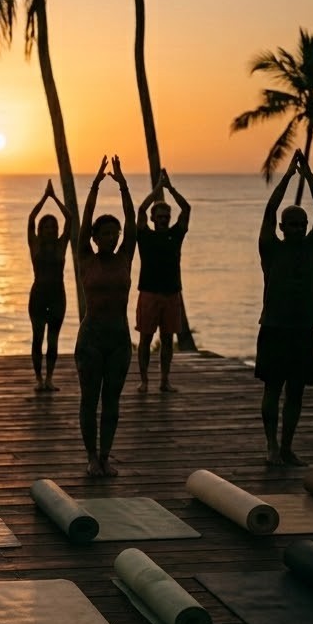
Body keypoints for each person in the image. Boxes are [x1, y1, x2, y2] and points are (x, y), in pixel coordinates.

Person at [256, 151, 313, 467]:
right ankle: (271, 446)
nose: (298, 229)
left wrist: (309, 175)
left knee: (296, 393)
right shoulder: (271, 248)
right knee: (273, 389)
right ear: (283, 228)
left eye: (303, 224)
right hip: (274, 328)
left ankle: (287, 447)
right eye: (293, 225)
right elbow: (270, 210)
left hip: (304, 330)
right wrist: (287, 176)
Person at [76, 155, 136, 477]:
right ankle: (90, 456)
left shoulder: (126, 256)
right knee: (90, 400)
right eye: (106, 234)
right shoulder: (86, 258)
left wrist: (124, 185)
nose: (112, 238)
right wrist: (96, 185)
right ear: (96, 238)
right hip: (91, 341)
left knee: (111, 402)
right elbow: (84, 221)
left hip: (120, 341)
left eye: (115, 234)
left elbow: (133, 221)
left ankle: (105, 456)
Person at [135, 170, 191, 394]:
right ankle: (144, 381)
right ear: (152, 219)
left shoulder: (176, 234)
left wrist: (170, 189)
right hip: (148, 293)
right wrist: (157, 189)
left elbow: (186, 209)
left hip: (171, 293)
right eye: (159, 217)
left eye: (166, 217)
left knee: (167, 339)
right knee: (145, 339)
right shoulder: (145, 235)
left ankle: (164, 380)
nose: (163, 220)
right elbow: (139, 210)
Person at [26, 179, 72, 392]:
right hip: (38, 296)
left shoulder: (61, 245)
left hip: (57, 296)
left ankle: (50, 378)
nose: (50, 229)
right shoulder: (35, 245)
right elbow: (31, 219)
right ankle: (38, 378)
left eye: (53, 226)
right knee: (38, 338)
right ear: (41, 229)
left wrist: (55, 198)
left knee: (53, 340)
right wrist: (45, 198)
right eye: (47, 226)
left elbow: (69, 218)